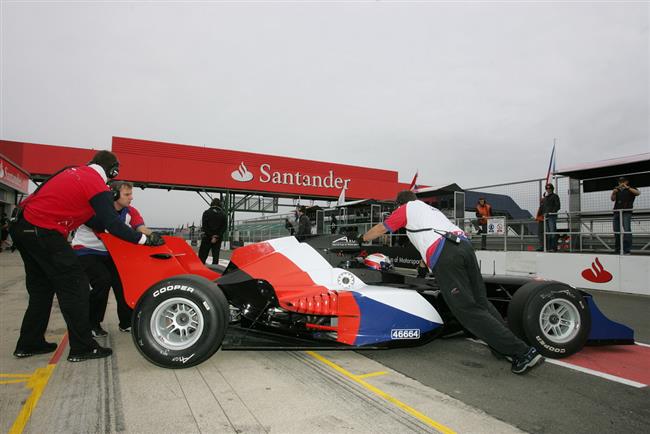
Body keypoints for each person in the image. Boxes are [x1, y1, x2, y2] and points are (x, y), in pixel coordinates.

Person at [358, 190, 544, 375]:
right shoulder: (430, 211)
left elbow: (382, 228)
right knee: (481, 302)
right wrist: (423, 266)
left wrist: (360, 240)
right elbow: (429, 237)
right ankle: (504, 348)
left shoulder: (407, 208)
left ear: (400, 204)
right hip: (464, 247)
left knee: (467, 310)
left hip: (447, 255)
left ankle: (523, 352)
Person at [9, 151, 164, 362]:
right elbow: (112, 223)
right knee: (76, 286)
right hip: (44, 230)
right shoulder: (95, 182)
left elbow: (97, 222)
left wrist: (116, 230)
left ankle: (29, 342)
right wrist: (145, 240)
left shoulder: (72, 172)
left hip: (22, 226)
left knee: (41, 290)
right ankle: (82, 347)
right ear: (113, 171)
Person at [72, 181, 152, 336]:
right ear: (114, 195)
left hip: (110, 253)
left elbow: (141, 228)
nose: (131, 198)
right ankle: (92, 324)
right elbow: (105, 233)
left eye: (131, 194)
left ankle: (126, 322)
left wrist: (154, 236)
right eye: (127, 194)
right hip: (86, 250)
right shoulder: (96, 210)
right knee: (103, 280)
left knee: (124, 281)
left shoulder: (131, 211)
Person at [611, 176, 640, 255]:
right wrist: (614, 192)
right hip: (616, 212)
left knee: (627, 230)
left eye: (623, 181)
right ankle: (617, 249)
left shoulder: (631, 189)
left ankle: (627, 250)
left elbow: (638, 193)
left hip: (626, 212)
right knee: (616, 231)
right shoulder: (617, 190)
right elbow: (612, 199)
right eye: (620, 182)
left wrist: (627, 187)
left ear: (627, 182)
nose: (621, 183)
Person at [199, 198, 227, 264]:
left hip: (207, 237)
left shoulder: (206, 212)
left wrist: (211, 236)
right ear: (220, 204)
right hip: (218, 239)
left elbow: (204, 226)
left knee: (202, 257)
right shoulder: (223, 214)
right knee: (215, 256)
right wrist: (216, 236)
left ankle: (201, 271)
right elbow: (224, 228)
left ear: (212, 203)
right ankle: (215, 271)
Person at [537, 183, 561, 251]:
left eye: (549, 188)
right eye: (547, 188)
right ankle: (549, 247)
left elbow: (558, 206)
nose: (548, 189)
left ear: (552, 189)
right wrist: (539, 216)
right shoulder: (545, 198)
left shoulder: (555, 196)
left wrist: (551, 213)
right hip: (545, 217)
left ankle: (553, 247)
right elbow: (542, 207)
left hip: (551, 217)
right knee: (547, 232)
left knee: (552, 231)